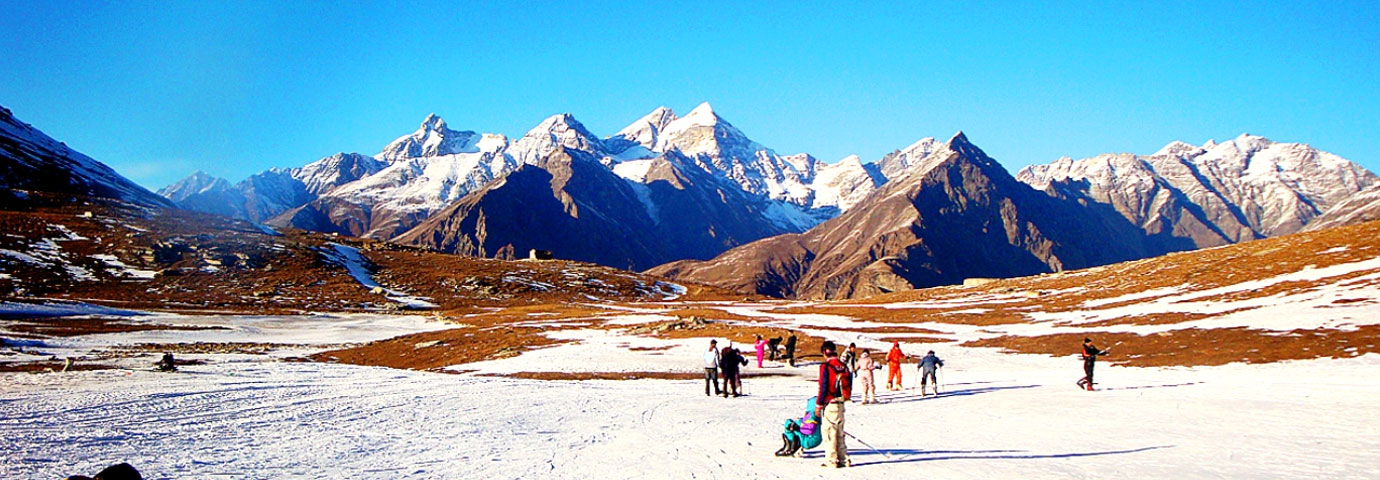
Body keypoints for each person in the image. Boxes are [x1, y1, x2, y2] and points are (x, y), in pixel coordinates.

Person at [814, 341, 851, 468]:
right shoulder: (843, 366)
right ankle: (844, 459)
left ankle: (832, 460)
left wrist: (819, 404)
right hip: (841, 403)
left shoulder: (826, 367)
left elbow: (823, 386)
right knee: (840, 433)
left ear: (825, 352)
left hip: (830, 403)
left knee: (830, 433)